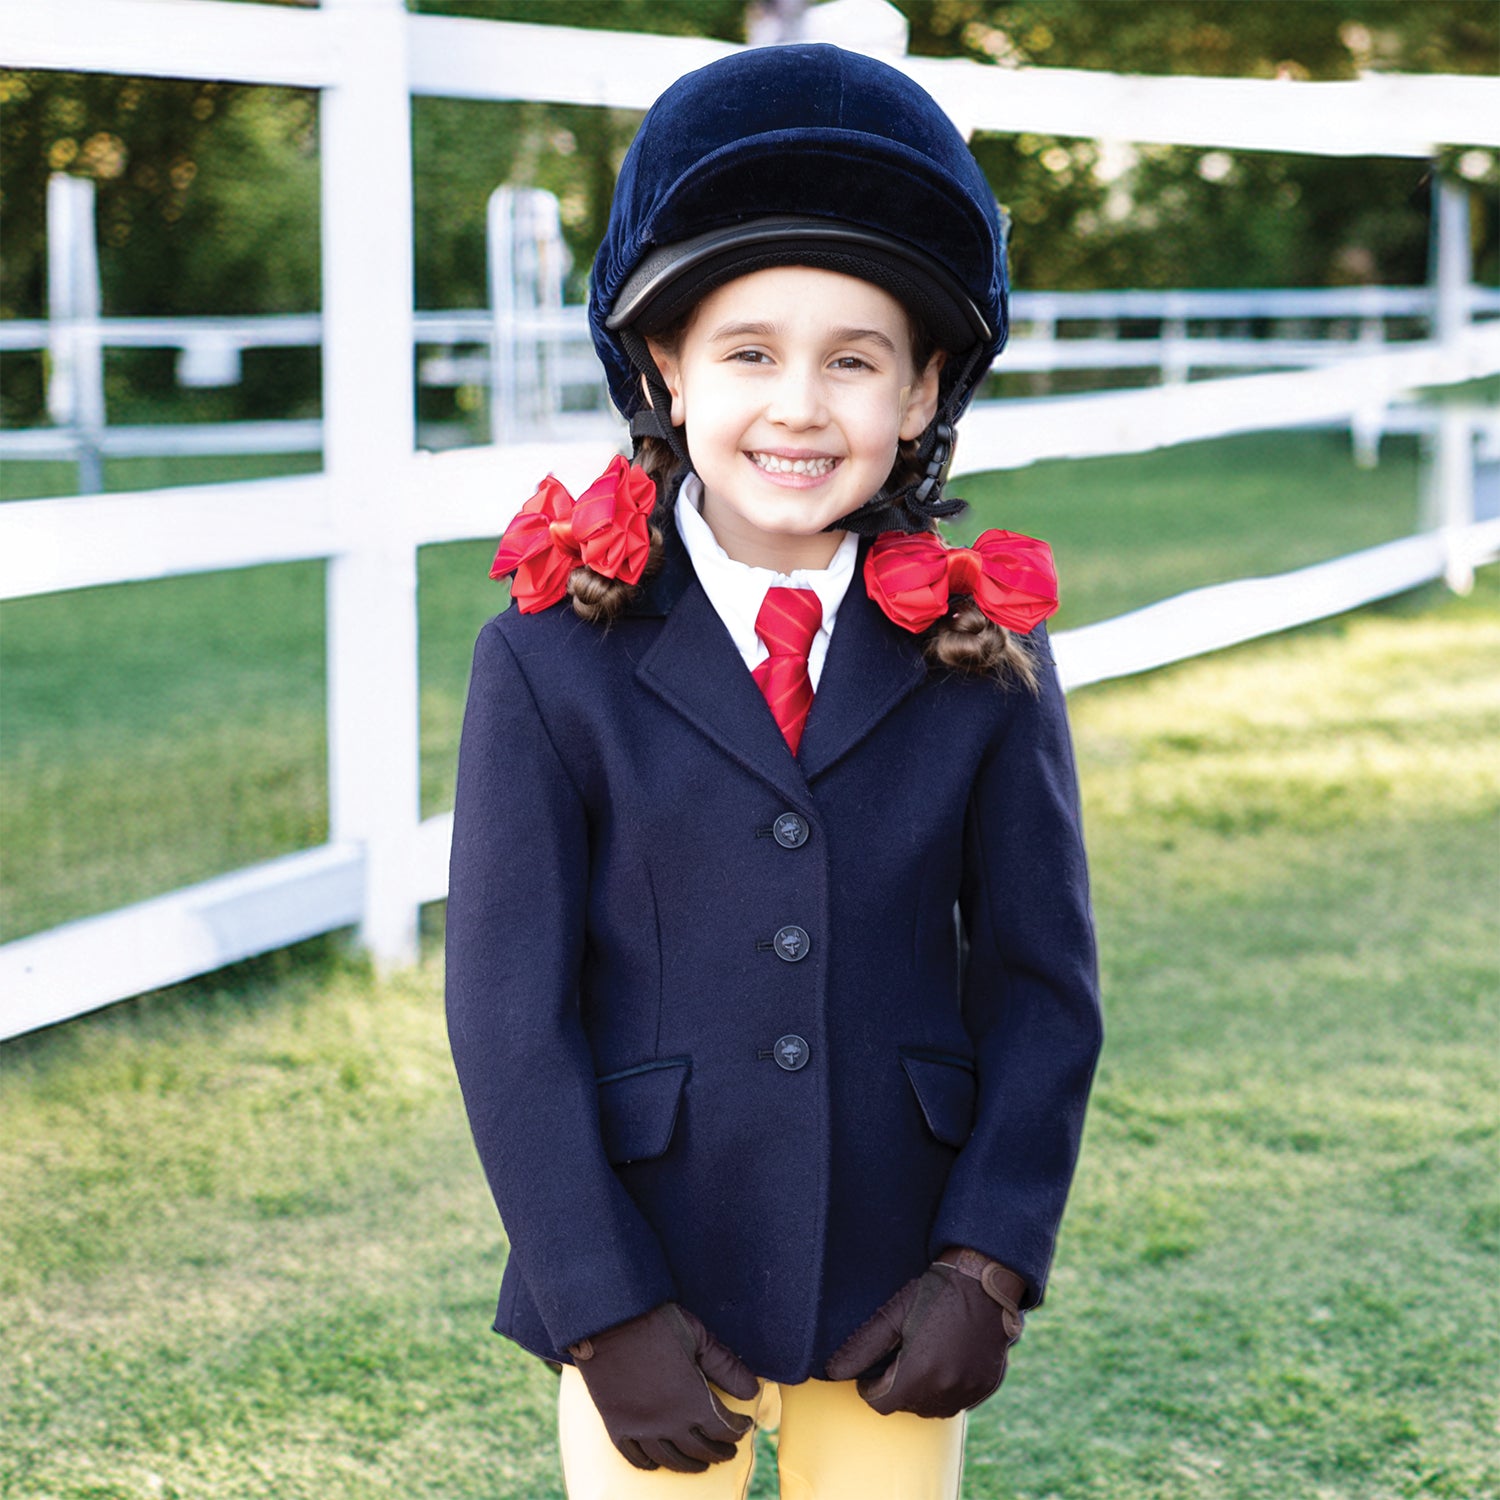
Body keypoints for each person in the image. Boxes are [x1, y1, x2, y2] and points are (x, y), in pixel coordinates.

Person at [446, 41, 1102, 1500]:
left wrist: (988, 1267)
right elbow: (506, 1014)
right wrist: (600, 1309)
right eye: (749, 352)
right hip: (650, 1275)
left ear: (923, 392)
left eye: (854, 360)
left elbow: (1041, 984)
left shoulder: (987, 656)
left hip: (901, 1280)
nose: (800, 406)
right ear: (665, 369)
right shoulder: (546, 661)